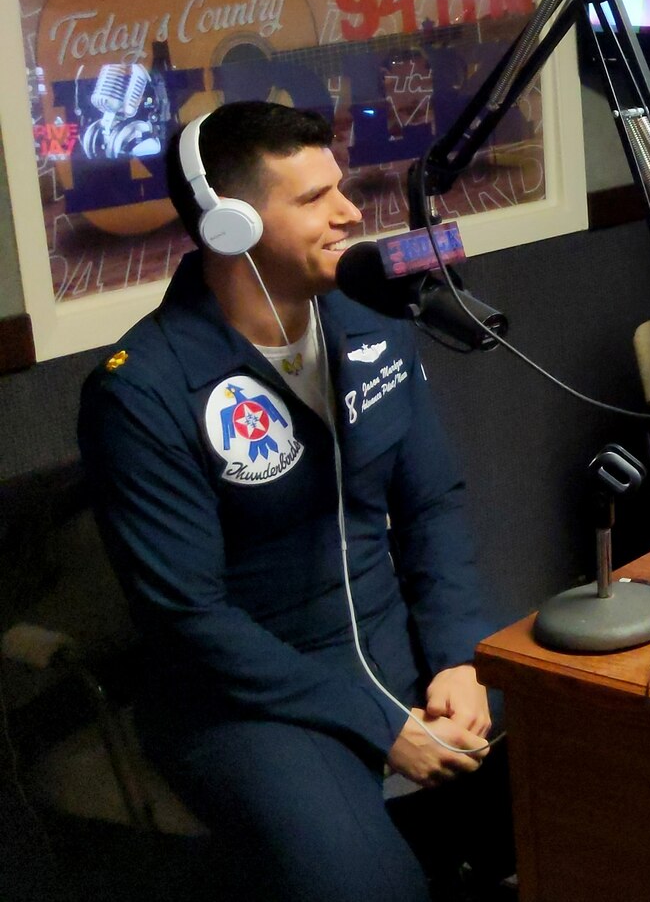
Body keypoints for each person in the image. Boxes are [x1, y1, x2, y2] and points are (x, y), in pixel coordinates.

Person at [77, 100, 509, 901]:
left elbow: (432, 503)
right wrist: (382, 723)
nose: (349, 213)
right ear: (231, 226)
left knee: (596, 755)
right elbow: (191, 618)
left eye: (338, 187)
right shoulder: (143, 390)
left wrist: (457, 652)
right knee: (368, 884)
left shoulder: (371, 323)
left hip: (394, 646)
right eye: (313, 199)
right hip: (250, 701)